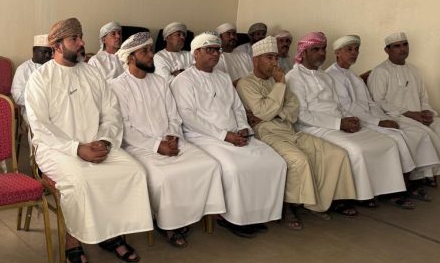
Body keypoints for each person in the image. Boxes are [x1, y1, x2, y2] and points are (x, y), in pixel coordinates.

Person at [25, 17, 153, 263]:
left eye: (81, 36)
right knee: (81, 181)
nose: (82, 42)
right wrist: (77, 148)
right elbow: (40, 126)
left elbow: (111, 112)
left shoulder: (93, 73)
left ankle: (112, 234)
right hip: (55, 150)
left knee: (133, 171)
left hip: (96, 142)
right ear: (57, 45)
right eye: (74, 38)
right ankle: (73, 242)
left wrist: (104, 140)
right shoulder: (40, 78)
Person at [110, 32, 226, 247]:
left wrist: (172, 135)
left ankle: (196, 213)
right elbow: (124, 128)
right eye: (145, 51)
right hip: (139, 147)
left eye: (151, 49)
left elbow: (174, 116)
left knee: (208, 164)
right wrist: (157, 145)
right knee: (165, 177)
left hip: (171, 140)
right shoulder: (117, 86)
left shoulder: (160, 82)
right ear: (131, 57)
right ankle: (168, 224)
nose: (151, 55)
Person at [171, 33, 286, 238]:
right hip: (203, 137)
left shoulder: (223, 77)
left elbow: (237, 107)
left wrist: (243, 127)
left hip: (234, 133)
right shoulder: (183, 80)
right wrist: (225, 135)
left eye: (217, 50)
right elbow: (188, 117)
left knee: (274, 161)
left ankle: (256, 214)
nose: (215, 54)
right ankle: (231, 218)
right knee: (234, 169)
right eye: (209, 50)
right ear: (195, 53)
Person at [236, 36, 357, 229]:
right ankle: (288, 206)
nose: (275, 62)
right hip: (266, 133)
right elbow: (263, 112)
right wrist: (279, 87)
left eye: (276, 57)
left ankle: (321, 201)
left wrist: (275, 113)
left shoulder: (278, 80)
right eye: (269, 57)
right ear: (256, 60)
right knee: (298, 160)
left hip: (288, 129)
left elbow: (293, 108)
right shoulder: (246, 83)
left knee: (336, 153)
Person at [286, 32, 411, 209]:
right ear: (304, 52)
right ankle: (362, 195)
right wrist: (338, 123)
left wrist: (349, 119)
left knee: (387, 142)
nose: (321, 53)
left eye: (323, 49)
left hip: (338, 122)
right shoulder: (294, 77)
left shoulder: (324, 76)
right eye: (316, 49)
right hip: (313, 127)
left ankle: (386, 190)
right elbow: (302, 115)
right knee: (357, 149)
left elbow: (338, 104)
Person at [327, 35, 439, 200]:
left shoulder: (353, 76)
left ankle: (411, 181)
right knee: (397, 138)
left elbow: (370, 103)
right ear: (337, 52)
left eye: (356, 49)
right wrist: (378, 122)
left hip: (370, 117)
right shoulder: (331, 75)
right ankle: (398, 189)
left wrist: (383, 119)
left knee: (409, 133)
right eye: (349, 49)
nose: (354, 53)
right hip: (354, 121)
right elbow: (348, 107)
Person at [368, 31, 440, 186]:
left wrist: (426, 112)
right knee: (423, 133)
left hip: (418, 116)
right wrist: (409, 113)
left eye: (405, 44)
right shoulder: (380, 72)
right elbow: (378, 102)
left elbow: (423, 96)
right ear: (387, 50)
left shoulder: (414, 70)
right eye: (397, 46)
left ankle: (433, 172)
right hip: (395, 117)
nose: (402, 49)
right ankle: (421, 176)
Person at [10, 34, 52, 121]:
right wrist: (41, 98)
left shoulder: (54, 66)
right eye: (44, 52)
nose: (48, 55)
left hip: (54, 109)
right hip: (32, 110)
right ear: (34, 51)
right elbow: (18, 97)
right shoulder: (23, 69)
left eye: (50, 52)